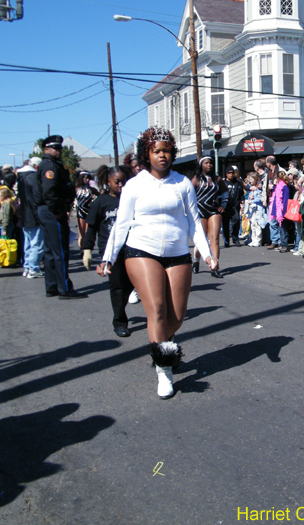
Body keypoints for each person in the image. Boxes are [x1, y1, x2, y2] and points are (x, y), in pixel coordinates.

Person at [98, 127, 215, 399]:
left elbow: (193, 221)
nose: (163, 156)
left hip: (177, 253)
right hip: (142, 251)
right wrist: (108, 256)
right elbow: (121, 224)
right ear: (147, 153)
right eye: (157, 151)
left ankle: (166, 345)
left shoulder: (183, 183)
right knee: (157, 311)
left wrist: (206, 253)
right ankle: (164, 370)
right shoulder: (134, 184)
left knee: (176, 318)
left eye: (167, 151)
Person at [83, 165, 132, 337]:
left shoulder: (130, 200)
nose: (121, 185)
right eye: (117, 182)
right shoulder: (100, 202)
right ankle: (119, 321)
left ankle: (121, 306)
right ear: (108, 181)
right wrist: (87, 249)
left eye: (124, 182)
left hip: (131, 247)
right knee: (117, 285)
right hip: (109, 251)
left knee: (131, 284)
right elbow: (91, 228)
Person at [36, 135, 85, 299]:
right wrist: (57, 210)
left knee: (50, 250)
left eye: (59, 148)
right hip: (52, 211)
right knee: (60, 251)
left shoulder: (52, 165)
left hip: (48, 210)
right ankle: (64, 288)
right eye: (54, 148)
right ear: (46, 149)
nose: (58, 151)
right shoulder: (49, 166)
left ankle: (52, 287)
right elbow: (50, 191)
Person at [191, 156, 226, 278]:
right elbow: (189, 195)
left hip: (214, 210)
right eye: (206, 163)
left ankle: (215, 266)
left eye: (211, 163)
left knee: (215, 239)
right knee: (202, 239)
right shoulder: (196, 179)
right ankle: (196, 260)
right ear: (201, 165)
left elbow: (225, 192)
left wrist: (223, 204)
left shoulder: (217, 179)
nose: (209, 165)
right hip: (200, 211)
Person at [17, 157, 44, 279]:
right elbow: (37, 197)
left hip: (25, 214)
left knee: (28, 243)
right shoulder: (33, 177)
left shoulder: (22, 177)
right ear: (36, 167)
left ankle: (27, 267)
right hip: (34, 215)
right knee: (37, 244)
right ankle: (33, 268)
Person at [222, 166, 244, 247]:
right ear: (226, 174)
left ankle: (235, 239)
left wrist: (241, 200)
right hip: (225, 206)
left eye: (232, 173)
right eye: (229, 173)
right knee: (225, 224)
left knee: (236, 221)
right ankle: (226, 241)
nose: (231, 174)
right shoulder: (223, 182)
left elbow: (241, 193)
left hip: (235, 205)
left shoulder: (237, 183)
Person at [74, 172, 97, 249]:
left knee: (87, 232)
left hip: (89, 212)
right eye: (85, 178)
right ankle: (81, 248)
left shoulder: (91, 189)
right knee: (81, 233)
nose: (87, 180)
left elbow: (100, 195)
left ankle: (86, 248)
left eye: (88, 178)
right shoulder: (77, 189)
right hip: (80, 212)